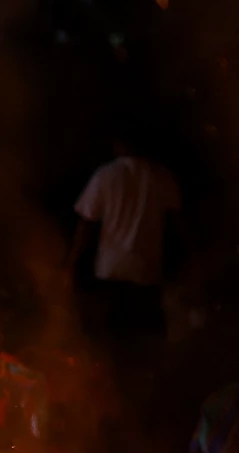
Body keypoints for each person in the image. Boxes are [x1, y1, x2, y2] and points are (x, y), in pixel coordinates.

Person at [67, 130, 184, 353]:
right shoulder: (161, 176)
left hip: (111, 271)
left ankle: (112, 374)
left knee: (111, 344)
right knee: (143, 343)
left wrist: (73, 262)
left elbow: (86, 224)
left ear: (120, 145)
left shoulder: (106, 175)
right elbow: (176, 224)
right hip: (146, 272)